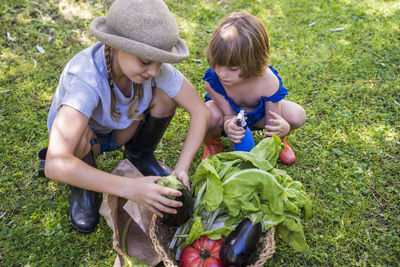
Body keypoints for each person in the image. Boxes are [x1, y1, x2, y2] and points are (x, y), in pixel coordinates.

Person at [40, 0, 210, 233]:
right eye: (146, 61)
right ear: (117, 46)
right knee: (79, 140)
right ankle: (83, 189)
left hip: (121, 130)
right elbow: (55, 163)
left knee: (166, 96)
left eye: (161, 62)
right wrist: (130, 188)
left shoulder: (154, 69)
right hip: (86, 143)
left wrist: (182, 167)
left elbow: (200, 111)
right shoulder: (85, 78)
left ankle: (140, 155)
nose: (154, 71)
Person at [201, 12, 306, 164]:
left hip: (259, 116)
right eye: (217, 64)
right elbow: (228, 114)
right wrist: (229, 123)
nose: (222, 73)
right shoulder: (213, 80)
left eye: (233, 68)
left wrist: (279, 130)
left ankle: (280, 143)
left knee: (296, 115)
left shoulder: (268, 81)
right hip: (227, 115)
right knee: (207, 114)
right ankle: (212, 143)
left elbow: (273, 118)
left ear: (254, 63)